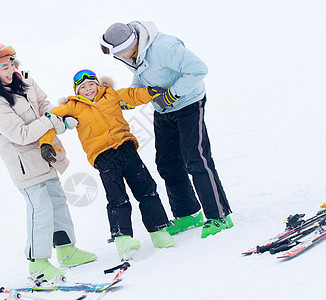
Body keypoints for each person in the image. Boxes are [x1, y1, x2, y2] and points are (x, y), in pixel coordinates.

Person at [0, 42, 96, 281]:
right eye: (3, 68)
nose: (10, 70)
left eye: (11, 64)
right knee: (39, 209)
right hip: (25, 166)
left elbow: (44, 106)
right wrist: (52, 121)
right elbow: (20, 134)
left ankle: (67, 250)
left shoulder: (26, 82)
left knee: (58, 202)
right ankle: (37, 262)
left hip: (45, 156)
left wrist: (60, 119)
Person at [99, 21, 233, 238]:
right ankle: (188, 214)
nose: (120, 57)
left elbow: (199, 69)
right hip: (163, 110)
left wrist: (173, 94)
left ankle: (219, 215)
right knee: (167, 163)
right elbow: (141, 80)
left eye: (121, 52)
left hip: (189, 103)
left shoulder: (164, 48)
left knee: (196, 159)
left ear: (131, 43)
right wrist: (126, 101)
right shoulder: (133, 55)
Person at [39, 69, 175, 260]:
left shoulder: (110, 94)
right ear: (77, 91)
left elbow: (132, 95)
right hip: (103, 156)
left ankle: (159, 231)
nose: (88, 89)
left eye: (91, 84)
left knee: (146, 189)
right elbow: (50, 121)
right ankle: (123, 238)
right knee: (117, 197)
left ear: (98, 84)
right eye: (83, 87)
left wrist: (150, 92)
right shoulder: (72, 106)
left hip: (126, 147)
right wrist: (45, 142)